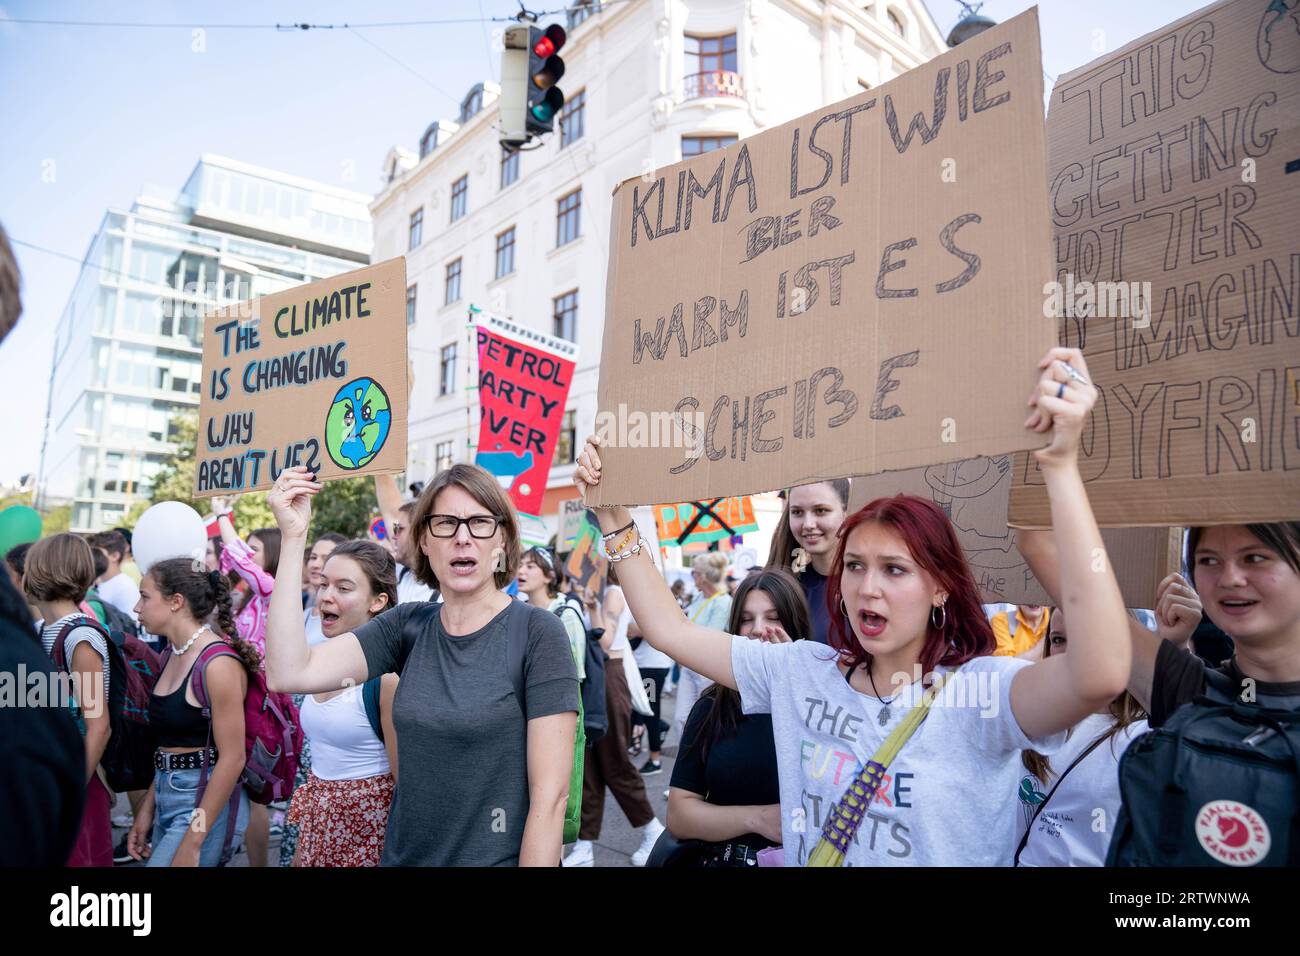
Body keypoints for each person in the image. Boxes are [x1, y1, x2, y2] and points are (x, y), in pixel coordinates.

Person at [577, 347, 1133, 866]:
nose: (868, 587)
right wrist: (613, 518)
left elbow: (1101, 671)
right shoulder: (801, 671)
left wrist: (1060, 467)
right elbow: (668, 628)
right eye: (856, 566)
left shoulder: (982, 692)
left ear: (941, 587)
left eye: (895, 570)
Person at [265, 463, 578, 866]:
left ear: (501, 539)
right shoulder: (407, 625)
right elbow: (289, 672)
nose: (463, 537)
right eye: (445, 523)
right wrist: (293, 538)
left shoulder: (539, 632)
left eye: (480, 522)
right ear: (425, 541)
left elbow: (550, 801)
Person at [666, 569, 810, 865]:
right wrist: (758, 819)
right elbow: (680, 814)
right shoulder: (712, 704)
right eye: (746, 619)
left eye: (773, 617)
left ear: (796, 625)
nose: (758, 629)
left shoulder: (822, 702)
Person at [127, 559, 253, 866]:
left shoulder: (218, 664)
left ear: (176, 602)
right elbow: (171, 741)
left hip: (204, 801)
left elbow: (233, 757)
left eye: (145, 596)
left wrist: (194, 841)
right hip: (169, 794)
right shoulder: (171, 652)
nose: (135, 607)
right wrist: (147, 809)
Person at [282, 540, 400, 867]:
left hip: (368, 834)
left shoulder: (387, 679)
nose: (326, 596)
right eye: (324, 585)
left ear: (378, 601)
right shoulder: (319, 659)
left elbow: (405, 784)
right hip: (318, 826)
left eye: (343, 588)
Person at [564, 565, 665, 866]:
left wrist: (593, 607)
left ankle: (652, 830)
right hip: (598, 679)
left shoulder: (613, 593)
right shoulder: (603, 594)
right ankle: (584, 845)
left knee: (615, 763)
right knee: (590, 767)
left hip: (608, 679)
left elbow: (605, 642)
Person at [24, 533, 114, 866]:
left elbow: (98, 726)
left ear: (42, 570)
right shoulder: (37, 629)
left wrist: (68, 792)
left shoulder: (81, 637)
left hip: (75, 785)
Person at [766, 480, 851, 644]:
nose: (808, 524)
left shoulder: (868, 585)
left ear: (846, 511)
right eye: (797, 512)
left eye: (820, 511)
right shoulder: (787, 590)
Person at [673, 552, 732, 750]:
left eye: (694, 573)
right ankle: (690, 758)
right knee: (682, 718)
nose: (693, 577)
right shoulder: (698, 598)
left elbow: (710, 636)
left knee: (706, 718)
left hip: (708, 669)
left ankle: (705, 759)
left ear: (703, 576)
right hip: (689, 666)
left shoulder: (723, 602)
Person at [375, 475, 436, 604]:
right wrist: (377, 462)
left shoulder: (444, 590)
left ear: (419, 534)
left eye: (399, 529)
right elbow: (390, 512)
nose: (393, 536)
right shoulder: (400, 575)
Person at [304, 533, 347, 648]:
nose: (315, 564)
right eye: (313, 557)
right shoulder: (305, 614)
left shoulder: (345, 619)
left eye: (326, 558)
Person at [90, 530, 141, 625]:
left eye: (98, 553)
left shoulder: (124, 587)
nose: (93, 557)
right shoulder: (102, 583)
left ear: (114, 556)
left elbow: (130, 625)